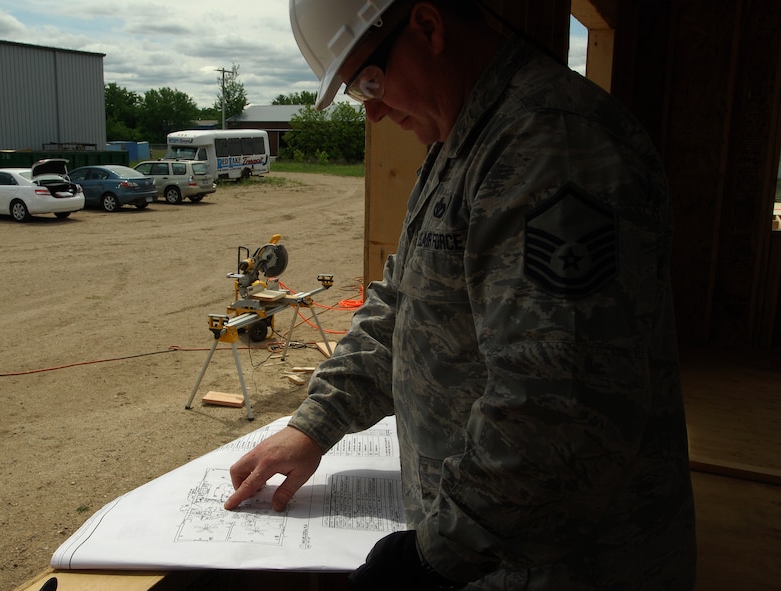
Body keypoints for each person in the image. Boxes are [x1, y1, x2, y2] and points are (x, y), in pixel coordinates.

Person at [224, 0, 697, 589]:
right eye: (355, 91)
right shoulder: (463, 143)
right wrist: (315, 423)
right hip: (485, 558)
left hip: (561, 567)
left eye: (370, 80)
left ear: (427, 26)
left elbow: (557, 408)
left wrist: (428, 561)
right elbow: (403, 304)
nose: (370, 110)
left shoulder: (553, 146)